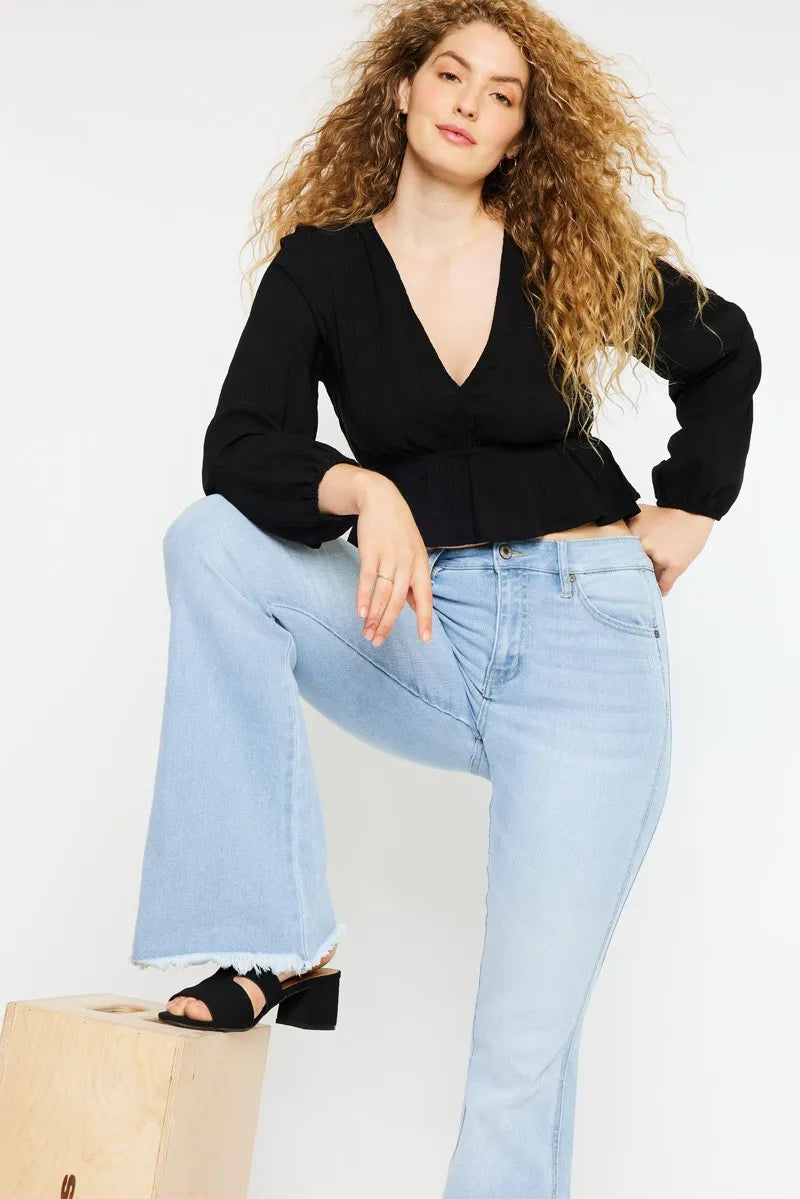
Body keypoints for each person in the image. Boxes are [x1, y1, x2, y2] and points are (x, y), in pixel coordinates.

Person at [129, 2, 761, 1194]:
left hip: (588, 641)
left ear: (520, 133)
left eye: (502, 92)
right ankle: (281, 940)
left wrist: (690, 502)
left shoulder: (557, 249)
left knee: (517, 1059)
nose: (470, 100)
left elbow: (721, 350)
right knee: (208, 544)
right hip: (417, 627)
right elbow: (239, 448)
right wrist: (360, 485)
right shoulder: (320, 266)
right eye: (449, 73)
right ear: (403, 92)